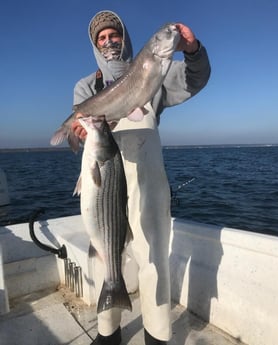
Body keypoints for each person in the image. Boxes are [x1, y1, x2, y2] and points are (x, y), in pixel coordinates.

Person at [71, 10, 211, 345]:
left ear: (125, 37)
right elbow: (82, 143)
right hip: (107, 181)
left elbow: (197, 78)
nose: (109, 42)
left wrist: (193, 50)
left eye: (113, 35)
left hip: (149, 181)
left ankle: (157, 334)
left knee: (153, 258)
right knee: (106, 255)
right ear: (94, 45)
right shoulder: (87, 87)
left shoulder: (155, 71)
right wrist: (79, 130)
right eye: (101, 38)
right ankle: (108, 332)